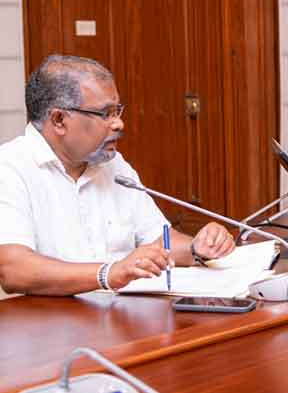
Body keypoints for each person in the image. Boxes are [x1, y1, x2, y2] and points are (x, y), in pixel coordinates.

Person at [0, 55, 235, 296]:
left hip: (121, 312)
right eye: (105, 114)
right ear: (59, 120)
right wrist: (109, 273)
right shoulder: (10, 167)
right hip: (48, 317)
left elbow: (160, 241)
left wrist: (196, 248)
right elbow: (14, 269)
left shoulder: (113, 165)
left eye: (117, 111)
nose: (118, 124)